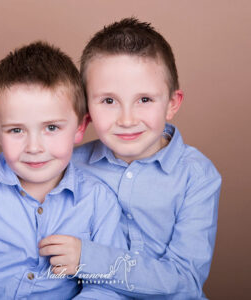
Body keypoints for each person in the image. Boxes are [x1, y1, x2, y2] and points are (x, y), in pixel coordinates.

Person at [0, 41, 127, 299]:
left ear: (80, 127)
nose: (34, 147)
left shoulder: (98, 200)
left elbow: (108, 286)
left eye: (51, 128)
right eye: (16, 130)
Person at [39, 18, 222, 299]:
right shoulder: (68, 165)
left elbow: (184, 281)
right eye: (109, 101)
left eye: (145, 100)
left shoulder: (196, 175)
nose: (127, 119)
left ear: (172, 104)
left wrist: (89, 258)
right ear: (86, 107)